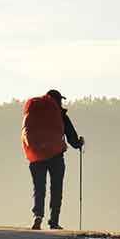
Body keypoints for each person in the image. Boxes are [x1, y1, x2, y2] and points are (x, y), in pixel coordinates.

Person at [24, 89, 85, 230]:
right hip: (55, 156)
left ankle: (38, 216)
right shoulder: (59, 114)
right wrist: (78, 143)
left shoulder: (34, 111)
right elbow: (71, 135)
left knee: (39, 188)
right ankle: (54, 221)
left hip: (36, 156)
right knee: (56, 189)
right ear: (56, 100)